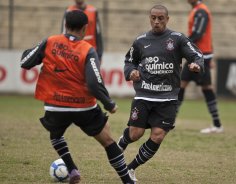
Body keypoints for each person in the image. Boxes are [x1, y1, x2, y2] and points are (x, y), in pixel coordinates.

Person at [20, 10, 134, 184]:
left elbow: (25, 62)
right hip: (83, 106)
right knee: (108, 141)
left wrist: (38, 48)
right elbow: (94, 82)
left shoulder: (50, 42)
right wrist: (108, 103)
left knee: (56, 135)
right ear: (85, 29)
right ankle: (128, 181)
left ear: (65, 25)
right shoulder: (87, 49)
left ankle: (72, 169)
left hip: (54, 105)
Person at [117, 5, 204, 181]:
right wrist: (131, 72)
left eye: (160, 18)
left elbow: (196, 54)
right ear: (150, 19)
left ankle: (131, 169)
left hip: (168, 98)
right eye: (153, 18)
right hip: (143, 95)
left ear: (167, 19)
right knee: (135, 134)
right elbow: (129, 61)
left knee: (157, 136)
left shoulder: (177, 38)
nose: (157, 22)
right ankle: (123, 141)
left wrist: (196, 64)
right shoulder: (140, 40)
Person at [178, 0, 223, 133]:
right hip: (197, 55)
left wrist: (181, 45)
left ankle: (217, 125)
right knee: (181, 84)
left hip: (201, 57)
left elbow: (198, 33)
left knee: (206, 88)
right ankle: (169, 122)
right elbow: (208, 37)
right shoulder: (197, 10)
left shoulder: (201, 11)